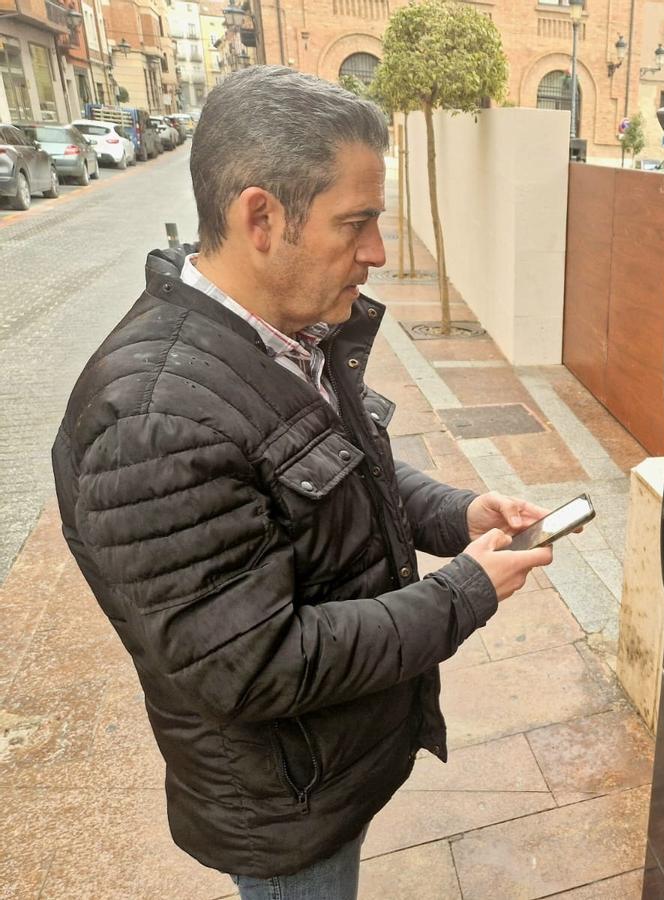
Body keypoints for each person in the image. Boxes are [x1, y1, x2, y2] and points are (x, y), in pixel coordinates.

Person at [51, 66, 553, 899]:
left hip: (328, 763)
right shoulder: (155, 422)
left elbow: (349, 470)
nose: (378, 253)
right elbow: (251, 665)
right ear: (261, 216)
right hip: (284, 803)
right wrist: (463, 594)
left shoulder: (290, 335)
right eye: (354, 223)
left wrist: (458, 514)